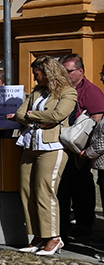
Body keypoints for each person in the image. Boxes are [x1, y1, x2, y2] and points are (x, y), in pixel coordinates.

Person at [10, 56, 78, 256]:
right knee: (26, 191)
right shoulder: (37, 92)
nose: (34, 78)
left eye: (36, 74)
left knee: (45, 191)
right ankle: (37, 235)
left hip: (53, 147)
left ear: (48, 73)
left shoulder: (68, 92)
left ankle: (54, 237)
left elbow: (57, 116)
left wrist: (31, 116)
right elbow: (19, 114)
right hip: (30, 145)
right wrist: (37, 118)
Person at [57, 54, 104, 238]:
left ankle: (84, 222)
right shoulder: (63, 90)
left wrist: (85, 147)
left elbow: (97, 121)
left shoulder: (91, 91)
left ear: (81, 71)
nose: (65, 75)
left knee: (81, 186)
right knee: (66, 186)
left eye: (69, 71)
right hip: (63, 145)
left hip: (81, 149)